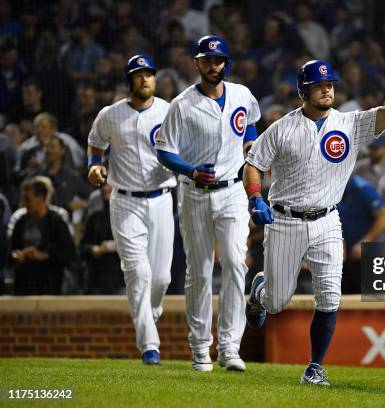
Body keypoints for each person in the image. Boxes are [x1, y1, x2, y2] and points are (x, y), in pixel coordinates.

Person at [243, 26, 385, 385]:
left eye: (330, 84)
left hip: (327, 221)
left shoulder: (349, 124)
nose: (326, 89)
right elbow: (253, 163)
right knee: (275, 303)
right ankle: (260, 290)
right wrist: (256, 197)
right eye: (319, 85)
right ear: (304, 91)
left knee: (330, 295)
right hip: (285, 220)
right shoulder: (282, 127)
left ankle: (315, 367)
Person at [155, 35, 260, 373]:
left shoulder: (242, 94)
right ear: (196, 63)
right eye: (207, 61)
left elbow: (250, 125)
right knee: (199, 271)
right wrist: (189, 170)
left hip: (232, 191)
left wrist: (251, 150)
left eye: (218, 61)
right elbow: (164, 150)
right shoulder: (181, 104)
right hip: (194, 192)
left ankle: (229, 348)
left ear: (225, 63)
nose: (213, 66)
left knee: (234, 263)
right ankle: (200, 348)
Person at [87, 54, 176, 365]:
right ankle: (149, 345)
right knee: (138, 273)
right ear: (129, 81)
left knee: (161, 279)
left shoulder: (169, 111)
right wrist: (95, 167)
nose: (145, 79)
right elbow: (95, 144)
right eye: (138, 75)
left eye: (149, 74)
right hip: (124, 201)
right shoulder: (110, 115)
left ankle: (149, 315)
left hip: (163, 199)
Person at [9, 177, 75, 295]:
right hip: (24, 287)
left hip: (50, 287)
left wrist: (45, 255)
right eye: (24, 199)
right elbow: (10, 251)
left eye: (28, 199)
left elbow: (70, 254)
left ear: (42, 198)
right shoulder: (20, 222)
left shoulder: (57, 222)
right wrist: (16, 255)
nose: (25, 203)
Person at [337, 174, 385, 293]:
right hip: (346, 261)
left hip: (369, 258)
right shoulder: (332, 189)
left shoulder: (362, 188)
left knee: (373, 304)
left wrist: (364, 241)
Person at [80, 183, 124, 295]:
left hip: (122, 281)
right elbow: (82, 248)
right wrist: (96, 249)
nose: (105, 188)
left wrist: (117, 246)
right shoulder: (94, 218)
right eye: (103, 186)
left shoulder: (128, 218)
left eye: (109, 184)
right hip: (97, 280)